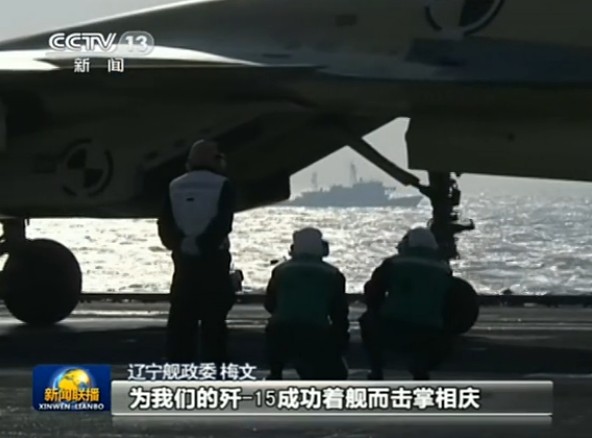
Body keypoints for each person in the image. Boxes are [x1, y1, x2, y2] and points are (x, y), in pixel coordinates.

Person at [157, 139, 236, 367]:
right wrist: (203, 244)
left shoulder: (175, 186)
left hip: (183, 262)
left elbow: (164, 223)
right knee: (214, 322)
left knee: (181, 320)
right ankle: (216, 369)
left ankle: (178, 368)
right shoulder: (223, 185)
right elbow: (223, 223)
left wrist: (181, 243)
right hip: (214, 260)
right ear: (215, 159)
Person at [359, 227, 454, 380]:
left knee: (366, 321)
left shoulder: (393, 263)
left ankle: (376, 370)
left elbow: (373, 290)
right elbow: (451, 300)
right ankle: (421, 368)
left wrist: (376, 310)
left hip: (393, 326)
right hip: (431, 331)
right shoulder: (444, 269)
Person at [264, 227, 349, 380]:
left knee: (275, 331)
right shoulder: (333, 273)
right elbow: (339, 312)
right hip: (316, 332)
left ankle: (275, 373)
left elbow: (270, 304)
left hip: (280, 331)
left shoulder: (280, 270)